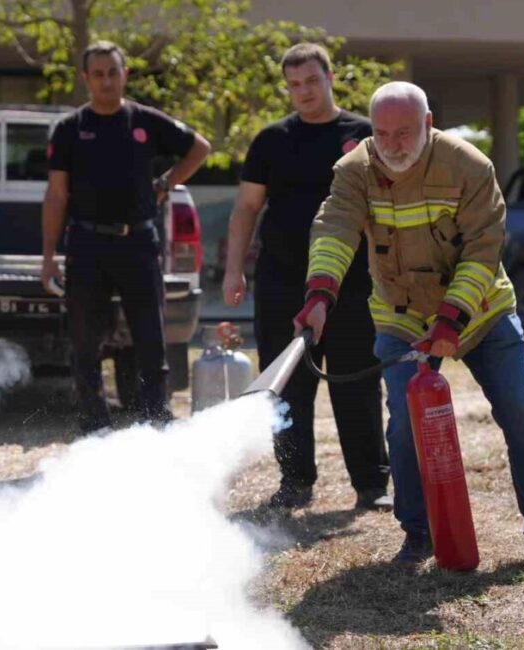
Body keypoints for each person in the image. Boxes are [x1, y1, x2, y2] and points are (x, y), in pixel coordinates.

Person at [295, 81, 524, 570]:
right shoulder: (355, 169)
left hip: (480, 312)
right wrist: (320, 295)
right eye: (382, 134)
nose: (392, 145)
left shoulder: (469, 167)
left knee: (523, 418)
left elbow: (483, 250)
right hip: (400, 317)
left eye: (404, 133)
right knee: (404, 428)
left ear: (428, 124)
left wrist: (450, 319)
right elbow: (335, 226)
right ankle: (417, 534)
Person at [223, 43, 390, 511]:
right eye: (294, 85)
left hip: (352, 284)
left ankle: (371, 486)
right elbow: (246, 209)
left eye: (311, 81)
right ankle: (295, 482)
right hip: (281, 281)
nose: (303, 92)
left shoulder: (363, 134)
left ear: (331, 77)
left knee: (356, 383)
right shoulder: (271, 140)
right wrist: (235, 269)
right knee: (287, 386)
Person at [40, 41, 211, 431]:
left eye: (113, 72)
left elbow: (199, 148)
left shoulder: (145, 120)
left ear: (125, 74)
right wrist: (49, 255)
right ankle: (94, 421)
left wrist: (166, 182)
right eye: (98, 74)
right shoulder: (69, 129)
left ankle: (155, 418)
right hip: (86, 242)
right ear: (86, 78)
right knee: (85, 339)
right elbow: (56, 194)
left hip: (137, 241)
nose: (106, 81)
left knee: (150, 335)